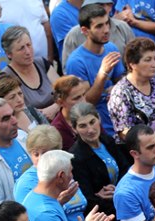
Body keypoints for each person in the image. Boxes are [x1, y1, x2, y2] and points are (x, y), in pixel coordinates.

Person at [64, 3, 124, 139]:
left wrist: (117, 88)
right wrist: (102, 74)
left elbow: (121, 78)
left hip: (120, 117)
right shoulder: (76, 62)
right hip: (99, 128)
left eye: (107, 23)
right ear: (85, 31)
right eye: (99, 26)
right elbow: (85, 104)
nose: (106, 29)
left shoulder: (111, 48)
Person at [69, 102, 130, 217]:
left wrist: (118, 189)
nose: (90, 130)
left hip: (124, 196)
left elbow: (125, 167)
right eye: (83, 126)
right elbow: (87, 198)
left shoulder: (107, 140)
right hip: (107, 213)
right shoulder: (76, 158)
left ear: (99, 118)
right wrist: (98, 196)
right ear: (74, 129)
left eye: (92, 122)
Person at [0, 26, 56, 113]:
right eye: (21, 48)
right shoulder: (6, 77)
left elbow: (65, 91)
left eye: (29, 45)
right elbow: (14, 112)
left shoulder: (42, 63)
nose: (28, 52)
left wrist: (55, 108)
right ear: (9, 54)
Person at [50, 75, 87, 151]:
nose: (83, 101)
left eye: (84, 95)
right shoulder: (58, 130)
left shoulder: (90, 114)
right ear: (60, 102)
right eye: (76, 98)